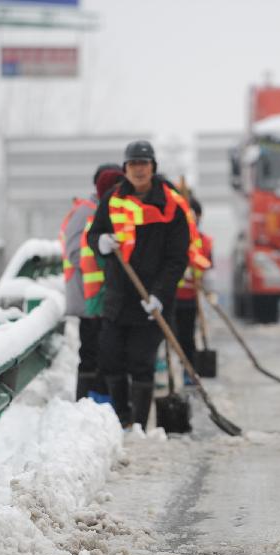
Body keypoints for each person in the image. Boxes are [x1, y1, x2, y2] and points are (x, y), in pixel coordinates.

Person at [87, 140, 190, 429]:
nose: (139, 169)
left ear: (153, 167)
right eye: (133, 164)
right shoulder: (113, 199)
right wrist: (101, 243)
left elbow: (176, 257)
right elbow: (94, 235)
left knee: (141, 360)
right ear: (125, 168)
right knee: (110, 356)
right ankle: (121, 418)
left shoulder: (172, 205)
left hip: (152, 298)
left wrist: (160, 294)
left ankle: (141, 424)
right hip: (119, 294)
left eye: (143, 164)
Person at [58, 163, 122, 402]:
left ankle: (94, 401)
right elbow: (74, 252)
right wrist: (104, 256)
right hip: (88, 297)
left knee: (102, 352)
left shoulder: (104, 209)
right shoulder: (86, 212)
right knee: (91, 353)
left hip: (100, 295)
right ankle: (86, 401)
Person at [174, 194, 213, 383]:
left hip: (190, 297)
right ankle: (172, 370)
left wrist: (199, 275)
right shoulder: (173, 237)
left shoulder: (204, 241)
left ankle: (188, 371)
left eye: (195, 214)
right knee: (170, 337)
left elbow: (207, 265)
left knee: (187, 336)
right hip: (170, 296)